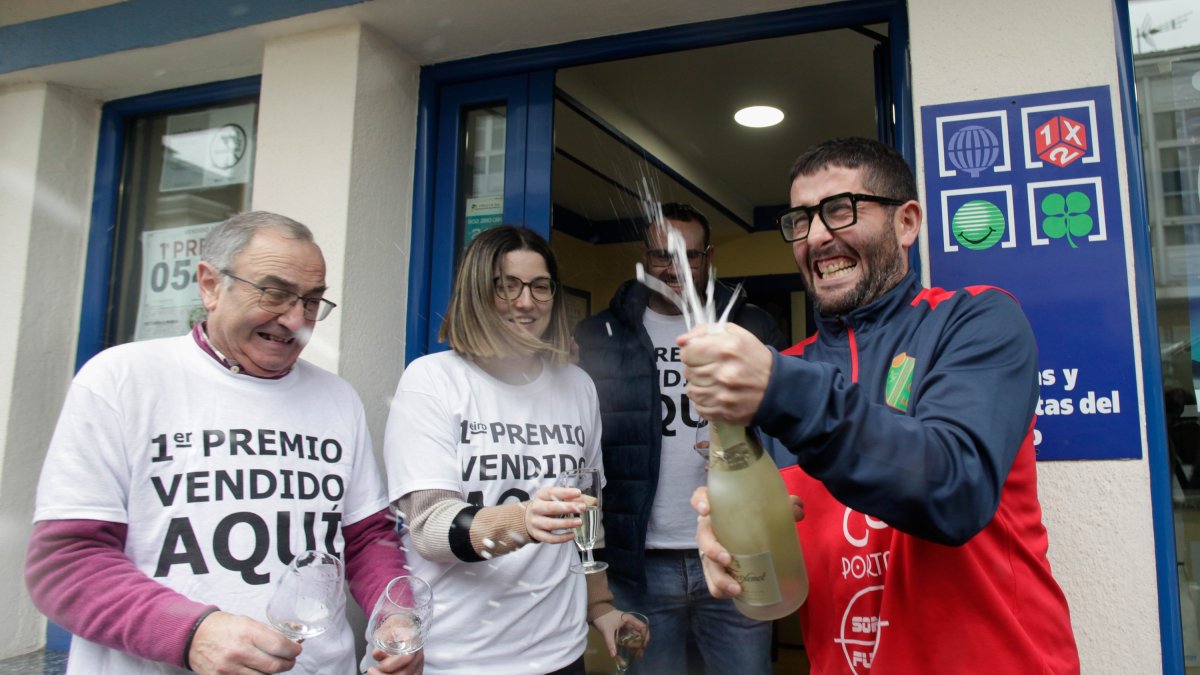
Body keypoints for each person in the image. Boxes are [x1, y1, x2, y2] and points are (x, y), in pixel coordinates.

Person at [683, 138, 1080, 673]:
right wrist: (726, 541)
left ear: (907, 223)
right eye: (800, 221)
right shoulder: (784, 376)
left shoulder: (975, 321)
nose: (817, 236)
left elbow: (955, 487)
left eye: (840, 210)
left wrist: (778, 389)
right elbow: (779, 529)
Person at [24, 211, 421, 675]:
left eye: (312, 301)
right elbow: (66, 565)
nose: (296, 319)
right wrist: (192, 633)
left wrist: (393, 613)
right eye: (275, 293)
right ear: (210, 285)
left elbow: (365, 538)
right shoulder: (121, 380)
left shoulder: (338, 399)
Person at [383, 225, 633, 675]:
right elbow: (429, 528)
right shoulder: (432, 380)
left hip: (560, 650)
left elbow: (589, 515)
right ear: (477, 291)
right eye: (507, 286)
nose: (526, 301)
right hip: (459, 656)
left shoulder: (577, 386)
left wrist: (600, 605)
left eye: (540, 287)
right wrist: (522, 521)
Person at [574, 203, 787, 675]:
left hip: (738, 552)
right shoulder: (598, 336)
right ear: (644, 258)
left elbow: (785, 428)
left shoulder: (748, 326)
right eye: (661, 256)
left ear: (708, 257)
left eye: (689, 256)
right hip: (640, 566)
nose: (674, 269)